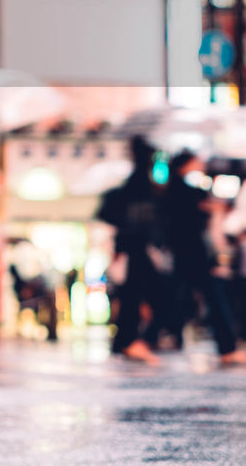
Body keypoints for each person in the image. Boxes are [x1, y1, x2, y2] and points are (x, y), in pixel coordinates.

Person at [161, 151, 246, 365]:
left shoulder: (171, 191)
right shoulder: (186, 192)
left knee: (179, 296)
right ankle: (227, 347)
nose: (200, 165)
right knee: (213, 297)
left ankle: (159, 334)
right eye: (195, 162)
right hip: (194, 252)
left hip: (182, 252)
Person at [96, 136, 166, 365]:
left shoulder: (135, 184)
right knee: (143, 294)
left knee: (133, 295)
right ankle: (129, 341)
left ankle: (126, 341)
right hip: (135, 246)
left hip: (132, 246)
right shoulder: (141, 184)